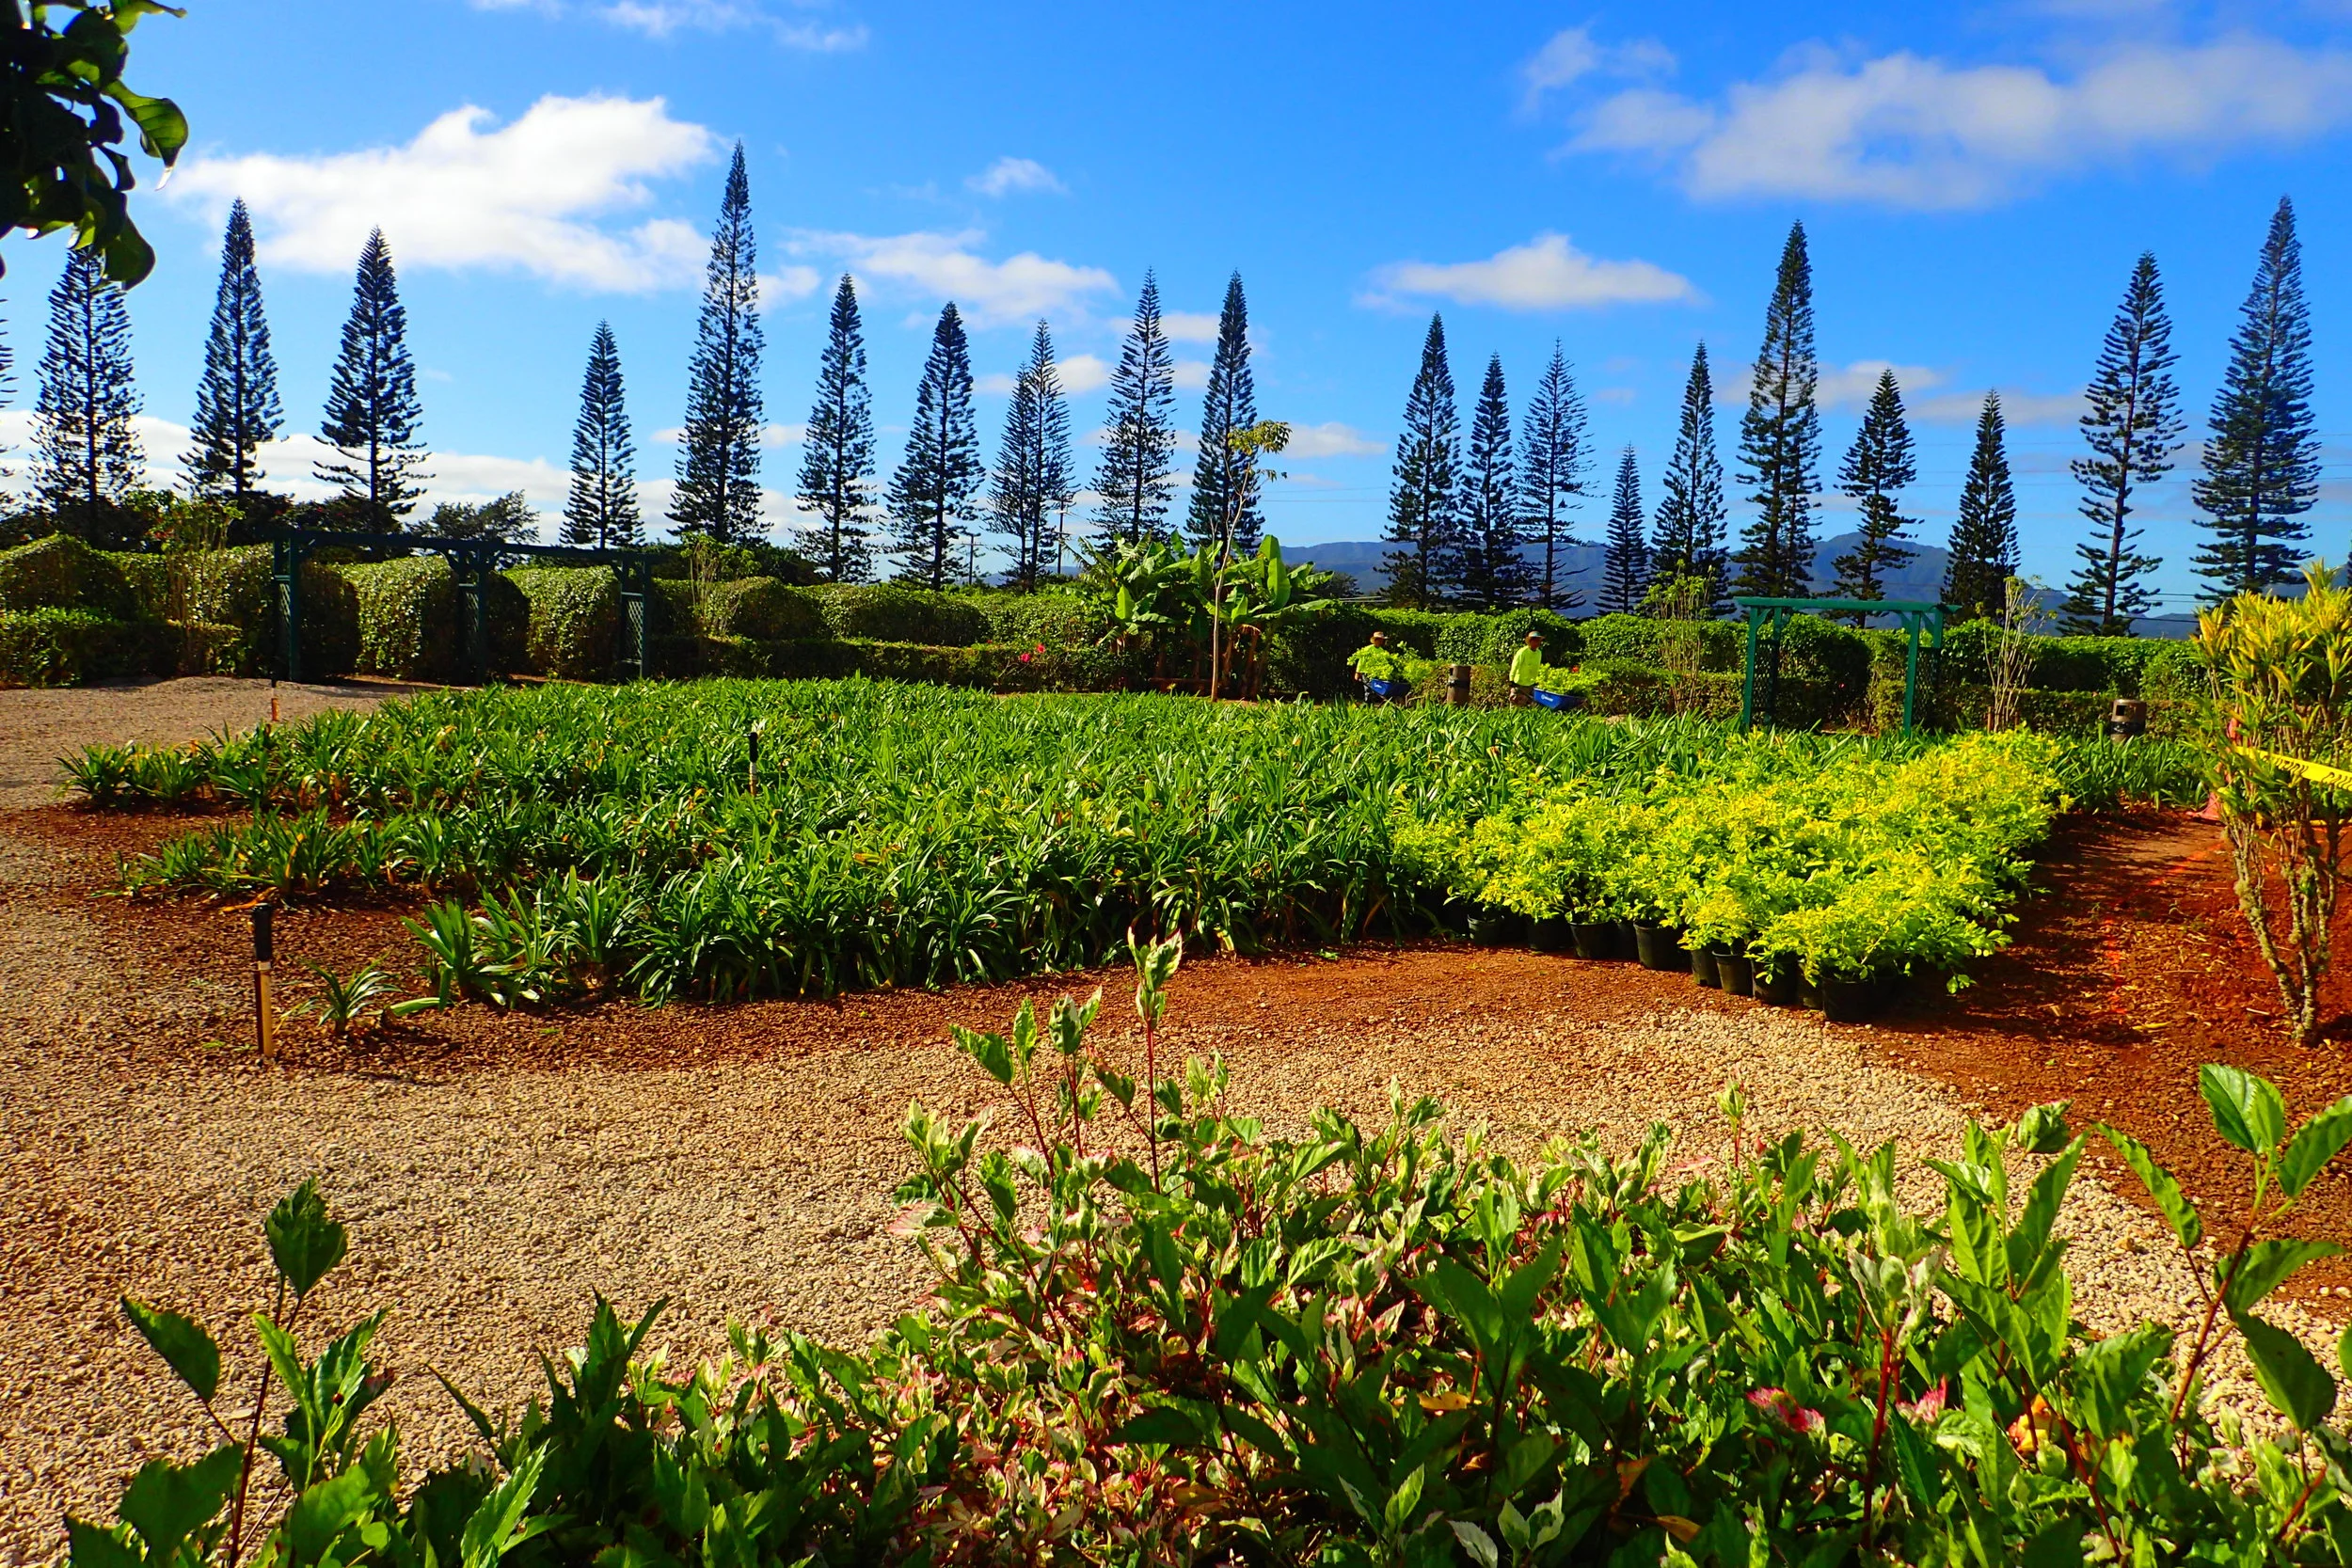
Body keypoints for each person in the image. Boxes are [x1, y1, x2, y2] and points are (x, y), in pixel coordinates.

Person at [1349, 630, 1399, 701]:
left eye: (1382, 640)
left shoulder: (1382, 650)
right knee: (1368, 690)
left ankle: (1371, 705)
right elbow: (1361, 661)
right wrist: (1357, 673)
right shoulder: (1368, 649)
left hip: (1376, 673)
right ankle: (1368, 706)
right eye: (1381, 640)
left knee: (1374, 690)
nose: (1382, 641)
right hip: (1367, 673)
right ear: (1376, 640)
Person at [1507, 631, 1547, 706]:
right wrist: (1511, 680)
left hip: (1530, 684)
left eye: (1539, 641)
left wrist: (1537, 679)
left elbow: (1537, 667)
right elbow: (1515, 665)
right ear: (1530, 641)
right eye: (1536, 640)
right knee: (1515, 704)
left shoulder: (1539, 653)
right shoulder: (1522, 652)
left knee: (1526, 705)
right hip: (1519, 683)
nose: (1538, 643)